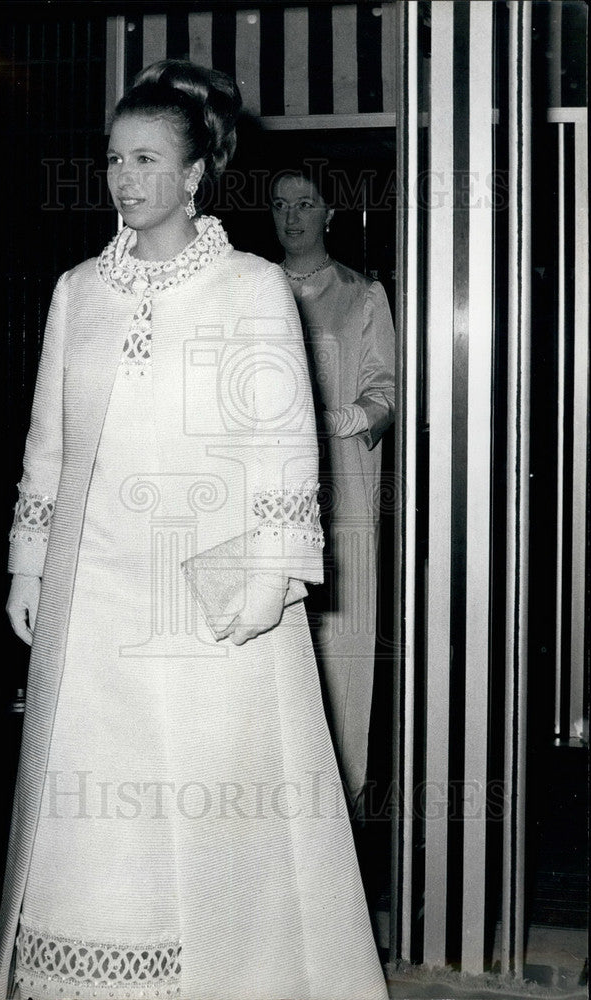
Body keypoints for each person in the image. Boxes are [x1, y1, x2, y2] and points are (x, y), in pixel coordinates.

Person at [0, 61, 388, 1000]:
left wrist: (270, 575)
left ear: (195, 173)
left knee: (208, 814)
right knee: (92, 806)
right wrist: (28, 564)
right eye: (112, 159)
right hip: (92, 600)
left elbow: (284, 444)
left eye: (146, 159)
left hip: (205, 598)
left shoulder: (250, 288)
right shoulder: (77, 292)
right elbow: (48, 442)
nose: (124, 178)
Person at [270, 166, 395, 813]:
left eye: (306, 203)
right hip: (267, 493)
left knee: (340, 643)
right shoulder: (253, 287)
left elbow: (387, 391)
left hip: (340, 491)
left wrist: (346, 417)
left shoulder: (361, 294)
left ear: (330, 213)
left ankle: (341, 799)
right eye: (281, 204)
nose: (292, 216)